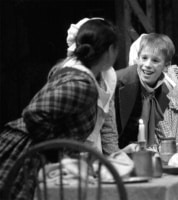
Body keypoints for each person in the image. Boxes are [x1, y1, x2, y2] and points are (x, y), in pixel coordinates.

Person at [0, 17, 119, 199]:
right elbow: (34, 113)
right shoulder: (81, 82)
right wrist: (58, 152)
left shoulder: (83, 76)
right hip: (23, 152)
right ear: (110, 50)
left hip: (32, 152)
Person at [115, 33, 177, 149]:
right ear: (137, 58)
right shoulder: (119, 82)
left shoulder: (162, 91)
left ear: (166, 66)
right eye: (144, 58)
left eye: (155, 60)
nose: (147, 65)